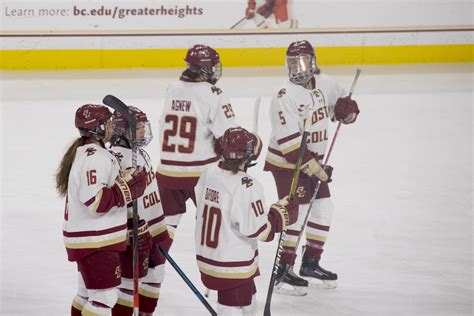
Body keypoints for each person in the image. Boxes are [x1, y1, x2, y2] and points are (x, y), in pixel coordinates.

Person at [263, 40, 360, 294]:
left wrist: (347, 113)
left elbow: (345, 109)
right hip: (287, 164)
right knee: (296, 213)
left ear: (314, 62)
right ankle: (283, 271)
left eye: (303, 62)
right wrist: (317, 170)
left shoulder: (326, 83)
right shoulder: (284, 96)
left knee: (323, 209)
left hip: (312, 162)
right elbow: (291, 148)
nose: (298, 69)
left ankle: (310, 263)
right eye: (292, 63)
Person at [195, 127, 298, 315]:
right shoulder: (247, 186)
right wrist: (279, 216)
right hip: (232, 266)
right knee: (234, 308)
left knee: (249, 304)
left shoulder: (208, 173)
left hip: (207, 259)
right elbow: (260, 232)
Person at [56, 104, 147, 315]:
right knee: (104, 299)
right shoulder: (95, 157)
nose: (112, 126)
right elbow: (96, 201)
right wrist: (129, 188)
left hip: (89, 237)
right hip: (95, 240)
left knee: (86, 295)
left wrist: (125, 180)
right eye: (107, 123)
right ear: (96, 127)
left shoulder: (90, 152)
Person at [156, 44, 239, 251]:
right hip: (201, 175)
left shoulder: (172, 88)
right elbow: (230, 139)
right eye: (212, 67)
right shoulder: (214, 93)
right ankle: (217, 280)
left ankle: (148, 274)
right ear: (203, 69)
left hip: (167, 174)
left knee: (161, 233)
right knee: (215, 230)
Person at [109, 106, 170, 316]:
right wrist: (127, 229)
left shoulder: (141, 154)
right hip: (132, 233)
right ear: (122, 131)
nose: (144, 132)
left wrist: (158, 230)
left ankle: (146, 313)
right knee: (128, 285)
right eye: (139, 128)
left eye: (144, 127)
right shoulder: (114, 158)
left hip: (152, 229)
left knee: (156, 274)